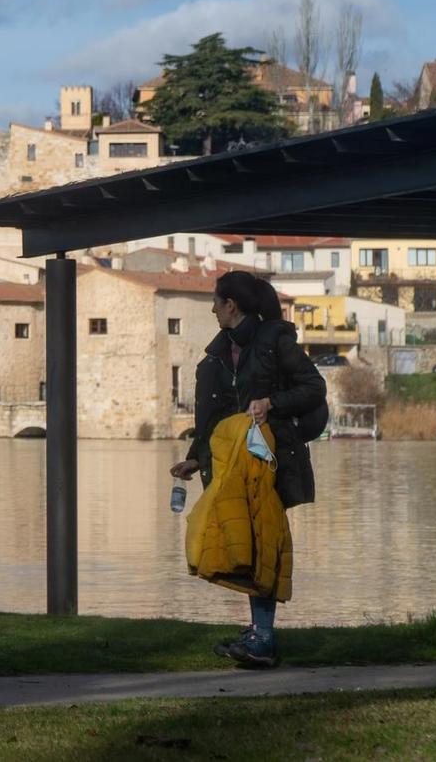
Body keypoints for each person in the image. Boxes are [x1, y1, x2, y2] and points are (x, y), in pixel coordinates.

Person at [170, 270, 326, 669]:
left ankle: (263, 638)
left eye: (216, 301)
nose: (212, 308)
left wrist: (271, 403)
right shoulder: (216, 357)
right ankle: (259, 633)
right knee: (242, 543)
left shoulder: (275, 341)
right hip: (230, 466)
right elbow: (212, 420)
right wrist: (194, 456)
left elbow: (313, 388)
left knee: (263, 542)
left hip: (271, 463)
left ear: (231, 305)